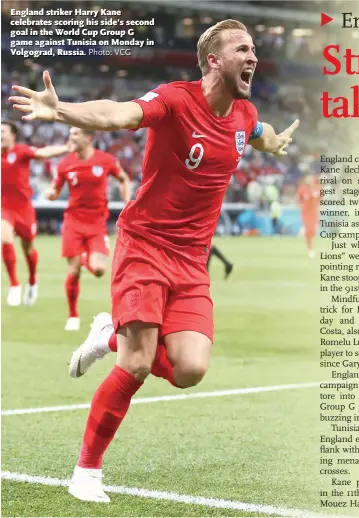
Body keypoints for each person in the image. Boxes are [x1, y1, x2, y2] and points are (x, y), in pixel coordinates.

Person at [10, 19, 299, 503]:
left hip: (191, 261)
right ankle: (86, 471)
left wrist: (275, 141)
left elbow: (261, 132)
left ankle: (107, 332)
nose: (253, 56)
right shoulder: (175, 99)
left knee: (189, 369)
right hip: (144, 244)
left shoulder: (245, 115)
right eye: (242, 48)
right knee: (138, 362)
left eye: (254, 48)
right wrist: (64, 112)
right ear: (213, 59)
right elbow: (120, 115)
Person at [44, 127, 130, 331]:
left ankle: (85, 259)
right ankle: (72, 315)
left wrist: (127, 202)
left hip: (97, 222)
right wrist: (51, 194)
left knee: (99, 270)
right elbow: (56, 190)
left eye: (75, 133)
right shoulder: (65, 164)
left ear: (88, 137)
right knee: (73, 271)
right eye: (70, 133)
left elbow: (123, 179)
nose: (71, 137)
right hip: (73, 221)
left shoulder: (106, 160)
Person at [1, 120, 72, 306]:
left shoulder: (22, 151)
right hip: (4, 208)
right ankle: (14, 285)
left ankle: (33, 281)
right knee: (5, 239)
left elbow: (43, 152)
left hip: (24, 208)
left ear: (12, 135)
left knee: (28, 249)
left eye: (3, 131)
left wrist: (65, 148)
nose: (0, 134)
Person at [297, 173, 320, 258]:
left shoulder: (317, 189)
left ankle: (303, 231)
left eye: (310, 178)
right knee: (309, 231)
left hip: (314, 213)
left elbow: (321, 200)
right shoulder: (302, 190)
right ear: (305, 180)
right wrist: (301, 207)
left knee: (314, 231)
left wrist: (320, 208)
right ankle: (310, 249)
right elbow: (298, 200)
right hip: (306, 213)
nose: (309, 180)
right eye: (307, 178)